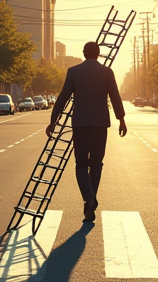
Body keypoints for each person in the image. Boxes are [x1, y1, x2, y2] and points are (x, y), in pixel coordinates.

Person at [46, 41, 127, 222]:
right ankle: (90, 200)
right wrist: (121, 120)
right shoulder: (107, 72)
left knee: (81, 164)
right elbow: (115, 97)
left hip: (80, 123)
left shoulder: (74, 72)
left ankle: (89, 199)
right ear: (98, 54)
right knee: (96, 164)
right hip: (100, 124)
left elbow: (62, 98)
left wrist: (53, 121)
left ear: (84, 53)